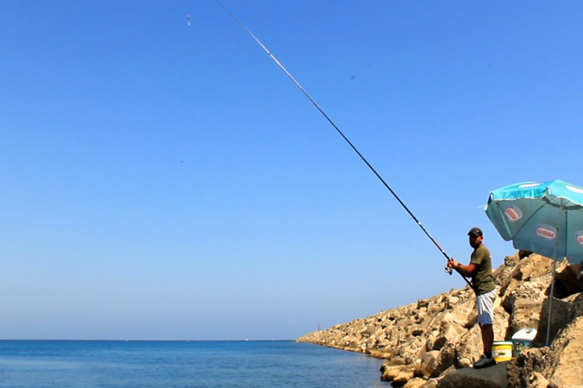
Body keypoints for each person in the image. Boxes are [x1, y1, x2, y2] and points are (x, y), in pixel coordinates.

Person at [448, 227, 497, 369]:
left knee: (486, 324)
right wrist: (456, 266)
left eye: (475, 237)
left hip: (485, 291)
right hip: (482, 292)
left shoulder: (481, 250)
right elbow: (470, 271)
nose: (472, 239)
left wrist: (456, 265)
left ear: (481, 238)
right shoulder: (477, 252)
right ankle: (488, 354)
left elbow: (469, 271)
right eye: (470, 237)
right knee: (483, 324)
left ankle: (489, 357)